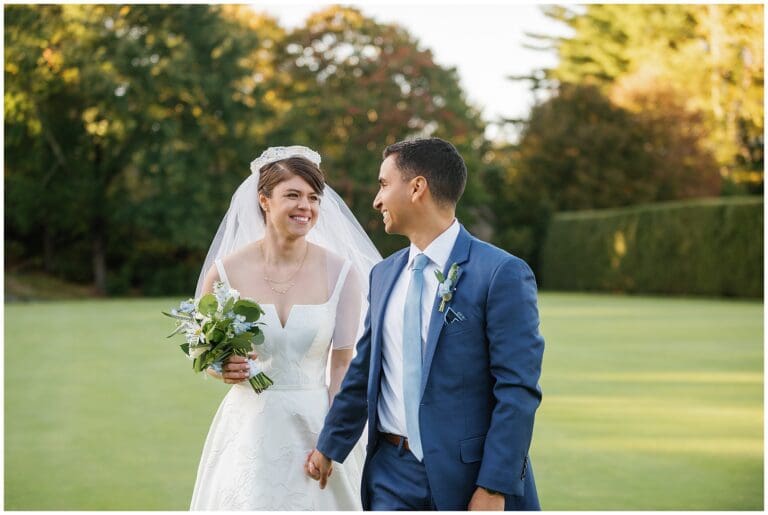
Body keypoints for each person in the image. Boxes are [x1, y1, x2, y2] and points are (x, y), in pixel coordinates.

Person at [305, 137, 544, 510]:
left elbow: (517, 390)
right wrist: (329, 446)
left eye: (384, 184)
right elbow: (364, 370)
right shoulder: (383, 274)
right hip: (390, 473)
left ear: (417, 187)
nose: (377, 200)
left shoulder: (500, 273)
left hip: (469, 478)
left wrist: (495, 487)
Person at [189, 146, 381, 510]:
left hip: (315, 427)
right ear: (264, 200)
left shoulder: (342, 274)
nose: (305, 207)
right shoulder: (225, 273)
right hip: (248, 429)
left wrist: (334, 441)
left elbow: (341, 366)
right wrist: (222, 369)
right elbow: (208, 354)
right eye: (292, 195)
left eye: (313, 197)